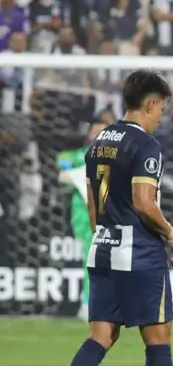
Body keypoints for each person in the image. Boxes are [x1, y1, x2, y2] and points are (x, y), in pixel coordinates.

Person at [55, 70, 173, 366]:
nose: (161, 118)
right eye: (162, 110)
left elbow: (93, 201)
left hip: (104, 248)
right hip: (139, 254)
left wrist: (104, 235)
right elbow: (144, 203)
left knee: (99, 336)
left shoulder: (99, 141)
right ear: (152, 103)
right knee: (158, 338)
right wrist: (172, 235)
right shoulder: (145, 146)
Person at [57, 120, 108, 322]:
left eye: (103, 132)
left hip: (113, 214)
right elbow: (61, 163)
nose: (98, 135)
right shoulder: (78, 155)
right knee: (92, 257)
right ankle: (89, 303)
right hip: (85, 214)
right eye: (95, 131)